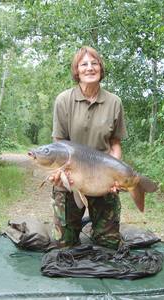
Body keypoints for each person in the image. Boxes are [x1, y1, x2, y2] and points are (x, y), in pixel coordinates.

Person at [50, 46, 127, 249]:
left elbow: (115, 144)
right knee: (63, 246)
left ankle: (100, 230)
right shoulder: (63, 100)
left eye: (94, 63)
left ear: (101, 68)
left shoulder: (114, 102)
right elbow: (58, 144)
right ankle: (72, 229)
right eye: (84, 64)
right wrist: (59, 173)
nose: (89, 68)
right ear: (77, 71)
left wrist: (116, 174)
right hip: (70, 178)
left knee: (108, 246)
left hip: (103, 179)